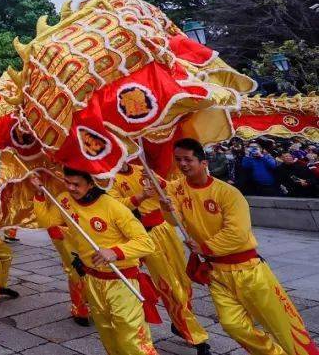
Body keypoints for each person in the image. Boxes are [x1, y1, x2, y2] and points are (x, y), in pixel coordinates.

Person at [163, 138, 319, 355]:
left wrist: (205, 247)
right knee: (232, 325)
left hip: (248, 270)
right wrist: (164, 205)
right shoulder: (177, 189)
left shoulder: (228, 193)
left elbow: (237, 233)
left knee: (283, 324)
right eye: (178, 159)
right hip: (216, 273)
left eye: (188, 159)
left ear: (203, 162)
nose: (183, 164)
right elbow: (173, 219)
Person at [32, 168, 156, 355]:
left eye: (77, 184)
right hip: (93, 280)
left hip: (120, 281)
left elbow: (146, 243)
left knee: (131, 336)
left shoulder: (112, 206)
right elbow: (47, 221)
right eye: (68, 182)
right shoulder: (65, 199)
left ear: (91, 184)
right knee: (107, 331)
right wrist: (40, 194)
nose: (71, 188)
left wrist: (116, 252)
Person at [110, 161, 210, 354]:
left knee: (184, 280)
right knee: (169, 285)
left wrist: (159, 184)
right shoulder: (108, 180)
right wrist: (140, 197)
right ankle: (197, 337)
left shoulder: (142, 169)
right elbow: (116, 207)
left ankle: (179, 322)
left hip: (165, 229)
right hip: (145, 236)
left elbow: (170, 187)